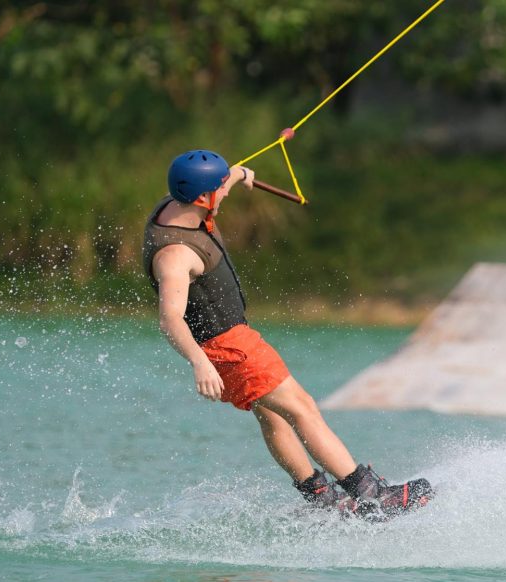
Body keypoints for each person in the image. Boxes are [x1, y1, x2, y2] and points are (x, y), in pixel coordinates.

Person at [142, 149, 432, 519]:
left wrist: (236, 174)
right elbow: (170, 318)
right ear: (202, 198)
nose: (225, 194)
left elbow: (217, 184)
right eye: (220, 188)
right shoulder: (175, 256)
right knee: (302, 408)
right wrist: (200, 364)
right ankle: (371, 495)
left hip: (226, 341)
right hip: (229, 345)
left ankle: (323, 498)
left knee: (273, 415)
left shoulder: (177, 203)